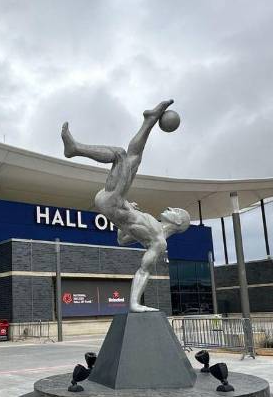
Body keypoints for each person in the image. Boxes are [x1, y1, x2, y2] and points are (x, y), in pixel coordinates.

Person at [61, 99, 190, 313]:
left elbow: (144, 270)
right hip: (115, 203)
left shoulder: (158, 242)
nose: (169, 209)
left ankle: (75, 149)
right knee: (134, 160)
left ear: (177, 221)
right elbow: (121, 240)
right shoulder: (151, 229)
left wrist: (134, 303)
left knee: (120, 155)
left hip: (112, 203)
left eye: (174, 211)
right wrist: (128, 216)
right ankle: (149, 120)